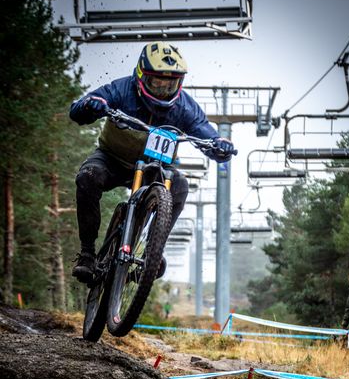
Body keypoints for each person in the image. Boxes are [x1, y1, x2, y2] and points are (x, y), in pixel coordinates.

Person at [69, 42, 235, 283]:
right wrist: (90, 106)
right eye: (156, 82)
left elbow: (204, 131)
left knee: (179, 185)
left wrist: (220, 144)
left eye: (171, 84)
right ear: (140, 77)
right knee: (87, 176)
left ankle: (153, 252)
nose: (163, 90)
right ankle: (87, 254)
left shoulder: (185, 106)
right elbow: (77, 110)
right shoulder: (121, 89)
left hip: (154, 168)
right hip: (112, 159)